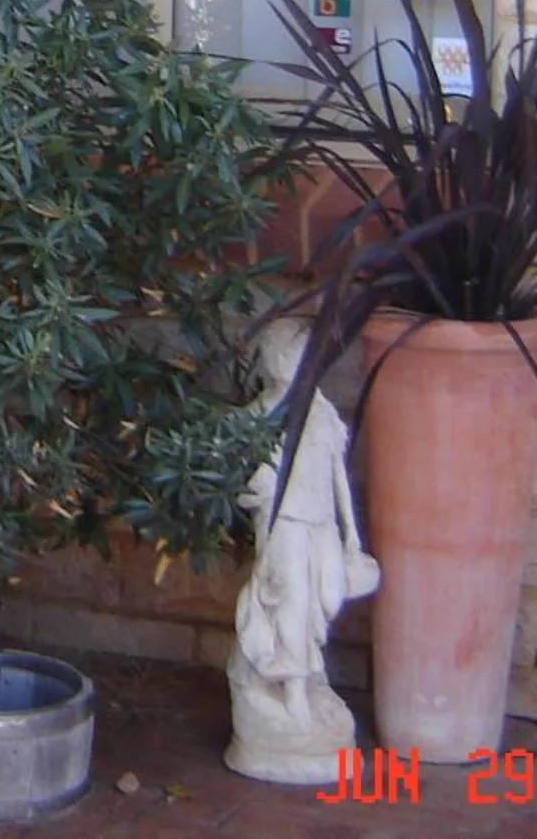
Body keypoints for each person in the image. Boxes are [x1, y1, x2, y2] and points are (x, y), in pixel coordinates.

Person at [224, 320, 379, 784]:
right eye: (291, 354)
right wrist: (254, 490)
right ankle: (292, 692)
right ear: (273, 360)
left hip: (321, 521)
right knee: (291, 602)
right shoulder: (260, 415)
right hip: (284, 524)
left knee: (324, 598)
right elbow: (233, 478)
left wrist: (352, 535)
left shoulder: (321, 411)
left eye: (305, 354)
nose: (299, 363)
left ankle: (309, 680)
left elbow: (337, 475)